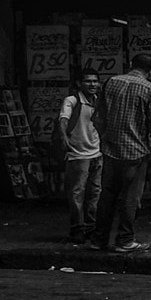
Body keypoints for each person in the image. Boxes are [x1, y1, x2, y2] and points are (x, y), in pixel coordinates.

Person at [90, 52, 151, 253]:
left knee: (107, 195)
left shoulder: (111, 82)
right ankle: (125, 240)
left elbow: (97, 116)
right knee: (131, 198)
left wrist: (105, 136)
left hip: (110, 149)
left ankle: (99, 239)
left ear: (131, 64)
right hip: (136, 152)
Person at [55, 69, 103, 245]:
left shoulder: (97, 101)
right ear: (79, 83)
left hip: (97, 152)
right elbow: (63, 119)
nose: (93, 85)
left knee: (95, 192)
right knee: (77, 193)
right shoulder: (72, 100)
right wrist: (63, 137)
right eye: (88, 81)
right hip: (78, 154)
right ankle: (77, 228)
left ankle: (91, 227)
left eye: (95, 81)